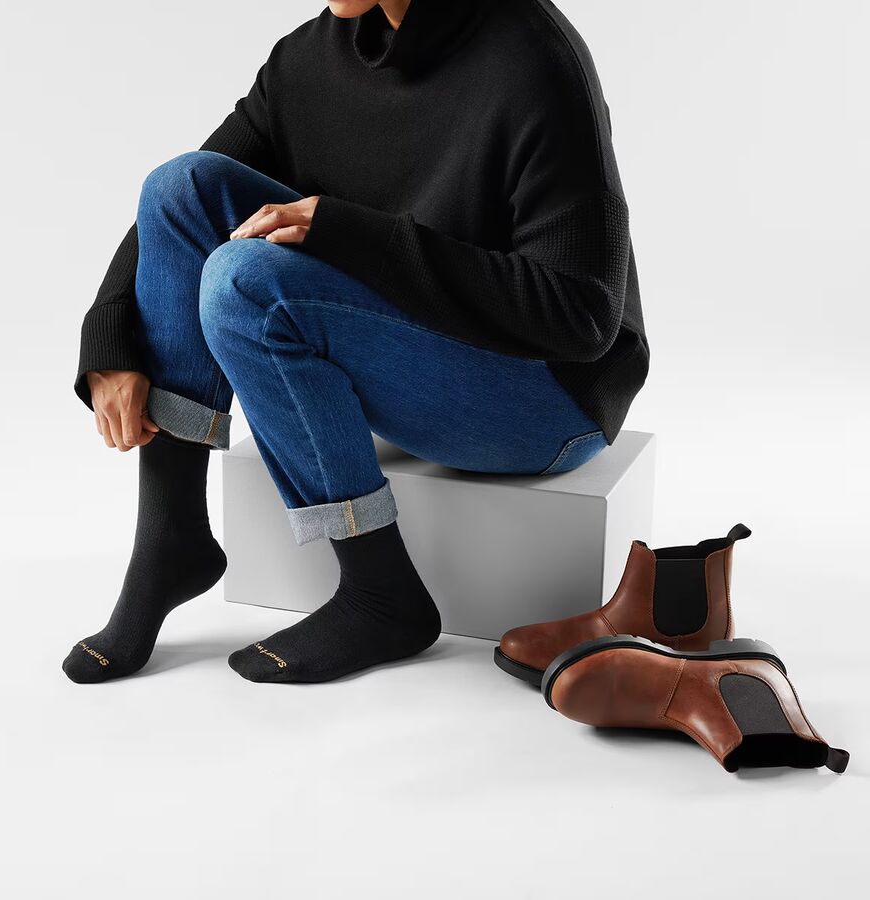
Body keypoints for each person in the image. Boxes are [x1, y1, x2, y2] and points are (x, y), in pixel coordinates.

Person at [63, 0, 649, 685]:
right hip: (413, 352)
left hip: (545, 401)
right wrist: (108, 336)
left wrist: (349, 233)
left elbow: (581, 317)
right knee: (180, 186)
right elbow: (179, 209)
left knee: (244, 282)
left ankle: (381, 592)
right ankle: (172, 534)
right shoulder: (311, 57)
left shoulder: (534, 59)